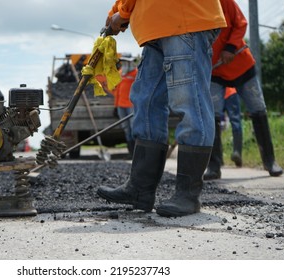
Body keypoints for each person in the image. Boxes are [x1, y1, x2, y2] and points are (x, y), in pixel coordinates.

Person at [96, 0, 226, 217]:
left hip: (183, 19)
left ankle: (188, 195)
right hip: (156, 27)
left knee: (189, 101)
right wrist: (117, 13)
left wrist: (123, 13)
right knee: (146, 101)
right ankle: (140, 189)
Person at [204, 0, 283, 180]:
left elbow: (240, 23)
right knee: (212, 115)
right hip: (213, 70)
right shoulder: (192, 7)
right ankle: (214, 166)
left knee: (258, 109)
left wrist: (230, 47)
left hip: (241, 65)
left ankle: (270, 161)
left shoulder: (224, 2)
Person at [113, 55, 137, 157]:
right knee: (126, 128)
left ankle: (137, 153)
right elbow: (117, 91)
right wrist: (115, 106)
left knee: (133, 128)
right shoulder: (121, 73)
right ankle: (131, 152)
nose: (124, 64)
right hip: (121, 106)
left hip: (131, 105)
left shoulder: (136, 73)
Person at [223, 87, 243, 167]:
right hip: (224, 92)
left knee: (235, 122)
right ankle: (237, 152)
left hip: (229, 92)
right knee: (235, 121)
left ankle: (237, 153)